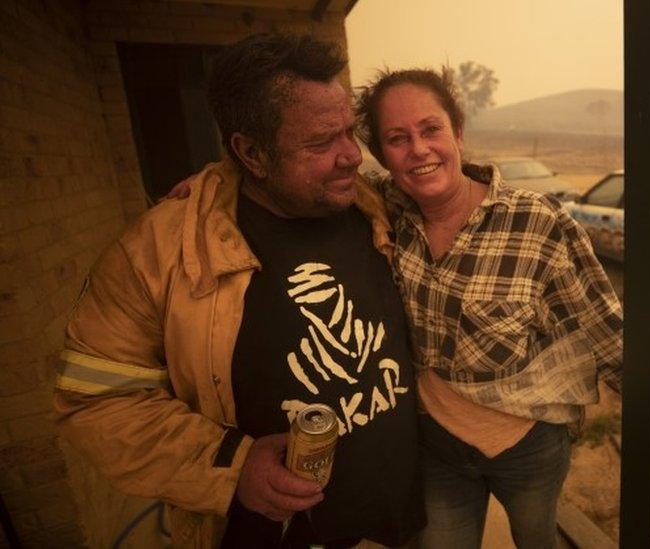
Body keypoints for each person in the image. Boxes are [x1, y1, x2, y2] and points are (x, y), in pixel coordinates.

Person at [52, 34, 425, 549]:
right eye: (321, 143)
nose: (352, 157)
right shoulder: (158, 255)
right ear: (251, 152)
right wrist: (230, 463)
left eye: (350, 132)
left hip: (403, 515)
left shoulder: (370, 204)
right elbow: (96, 403)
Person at [353, 68, 650, 549]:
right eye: (397, 138)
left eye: (430, 129)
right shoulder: (391, 213)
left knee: (537, 539)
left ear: (457, 131)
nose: (417, 149)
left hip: (528, 447)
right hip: (435, 445)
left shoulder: (538, 222)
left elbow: (603, 328)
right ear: (383, 156)